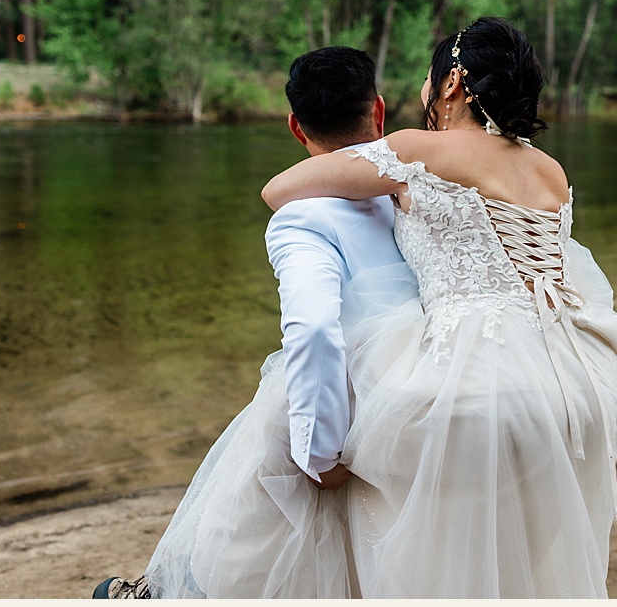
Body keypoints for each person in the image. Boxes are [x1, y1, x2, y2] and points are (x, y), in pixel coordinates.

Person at [257, 17, 617, 597]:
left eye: (431, 82)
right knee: (514, 555)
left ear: (454, 82)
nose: (426, 94)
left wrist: (383, 177)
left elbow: (280, 189)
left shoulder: (416, 150)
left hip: (478, 365)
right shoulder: (549, 169)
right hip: (575, 381)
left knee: (326, 440)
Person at [99, 47, 418, 598]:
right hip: (410, 405)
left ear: (296, 127)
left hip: (345, 416)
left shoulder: (301, 217)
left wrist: (319, 453)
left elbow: (315, 331)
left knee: (245, 525)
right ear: (381, 112)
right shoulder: (420, 199)